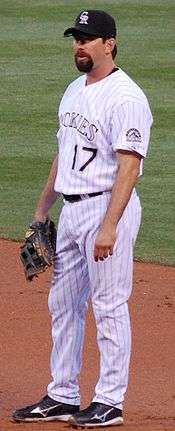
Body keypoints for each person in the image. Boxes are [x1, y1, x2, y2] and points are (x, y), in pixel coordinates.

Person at [12, 9, 153, 428]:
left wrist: (110, 224)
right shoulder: (74, 88)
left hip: (107, 207)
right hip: (72, 210)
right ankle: (62, 394)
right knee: (63, 304)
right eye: (76, 38)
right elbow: (64, 153)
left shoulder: (127, 97)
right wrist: (42, 210)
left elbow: (128, 167)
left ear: (109, 43)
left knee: (108, 305)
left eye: (88, 39)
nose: (79, 45)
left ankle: (110, 400)